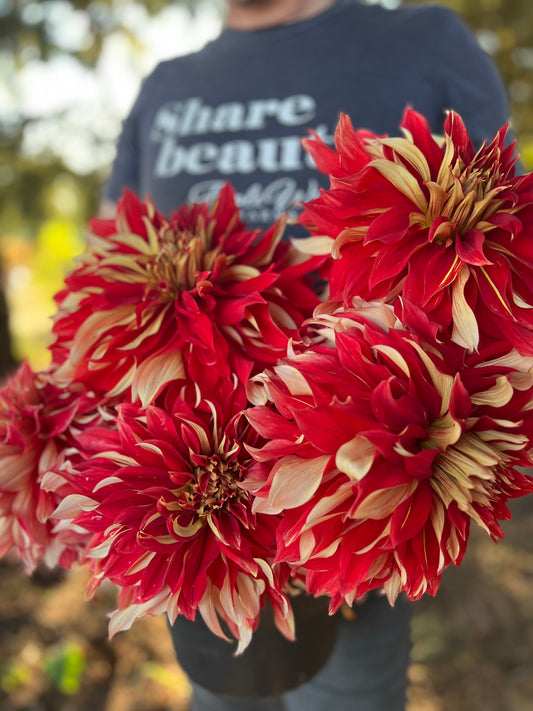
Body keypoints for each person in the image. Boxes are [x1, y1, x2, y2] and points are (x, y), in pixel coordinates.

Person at [100, 2, 514, 709]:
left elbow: (505, 251)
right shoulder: (166, 84)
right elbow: (109, 264)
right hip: (197, 516)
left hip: (368, 493)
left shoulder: (423, 41)